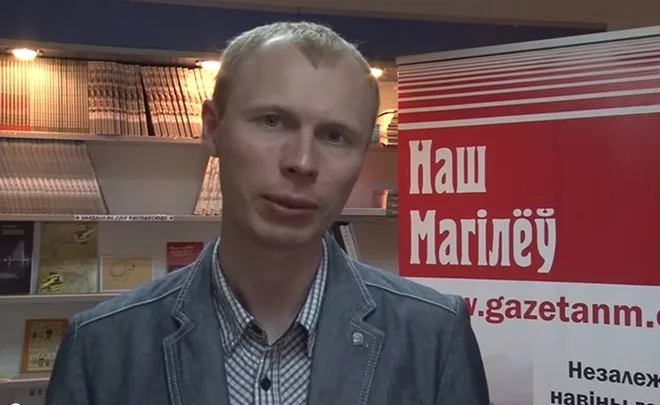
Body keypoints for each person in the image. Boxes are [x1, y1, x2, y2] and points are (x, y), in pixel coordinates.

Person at [44, 21, 491, 405]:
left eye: (335, 136)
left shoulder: (435, 336)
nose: (302, 162)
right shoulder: (101, 347)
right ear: (213, 129)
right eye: (272, 121)